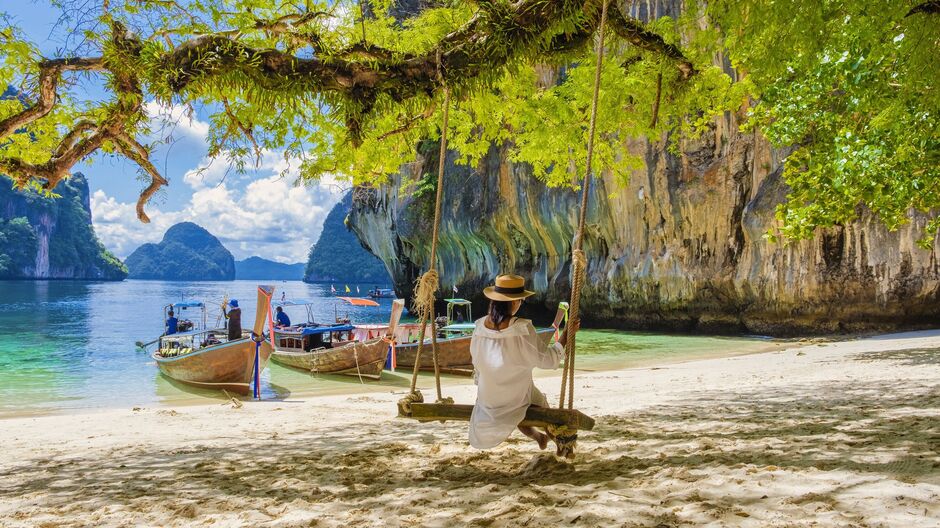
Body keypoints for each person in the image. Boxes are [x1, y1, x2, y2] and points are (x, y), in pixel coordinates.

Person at [469, 274, 579, 450]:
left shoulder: (480, 326)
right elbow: (548, 360)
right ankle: (560, 445)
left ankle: (538, 438)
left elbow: (477, 362)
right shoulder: (521, 329)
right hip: (515, 398)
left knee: (522, 400)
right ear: (514, 302)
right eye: (520, 300)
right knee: (538, 406)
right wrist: (567, 334)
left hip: (487, 400)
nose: (520, 304)